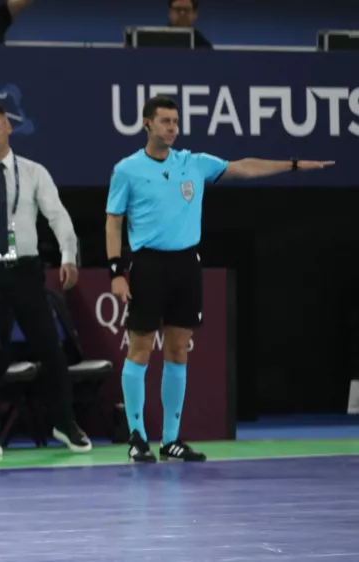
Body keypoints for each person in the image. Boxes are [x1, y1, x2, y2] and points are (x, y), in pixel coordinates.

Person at [107, 95, 334, 463]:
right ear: (147, 124)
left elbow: (244, 168)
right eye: (164, 121)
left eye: (176, 122)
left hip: (185, 264)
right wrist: (116, 270)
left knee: (178, 351)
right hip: (147, 265)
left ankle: (170, 441)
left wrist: (292, 165)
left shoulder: (193, 163)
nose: (172, 128)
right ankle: (136, 437)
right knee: (141, 349)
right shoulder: (127, 169)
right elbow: (113, 220)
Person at [0, 103, 91, 458]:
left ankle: (65, 422)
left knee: (50, 349)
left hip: (26, 270)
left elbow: (57, 216)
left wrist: (68, 256)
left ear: (8, 128)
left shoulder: (34, 172)